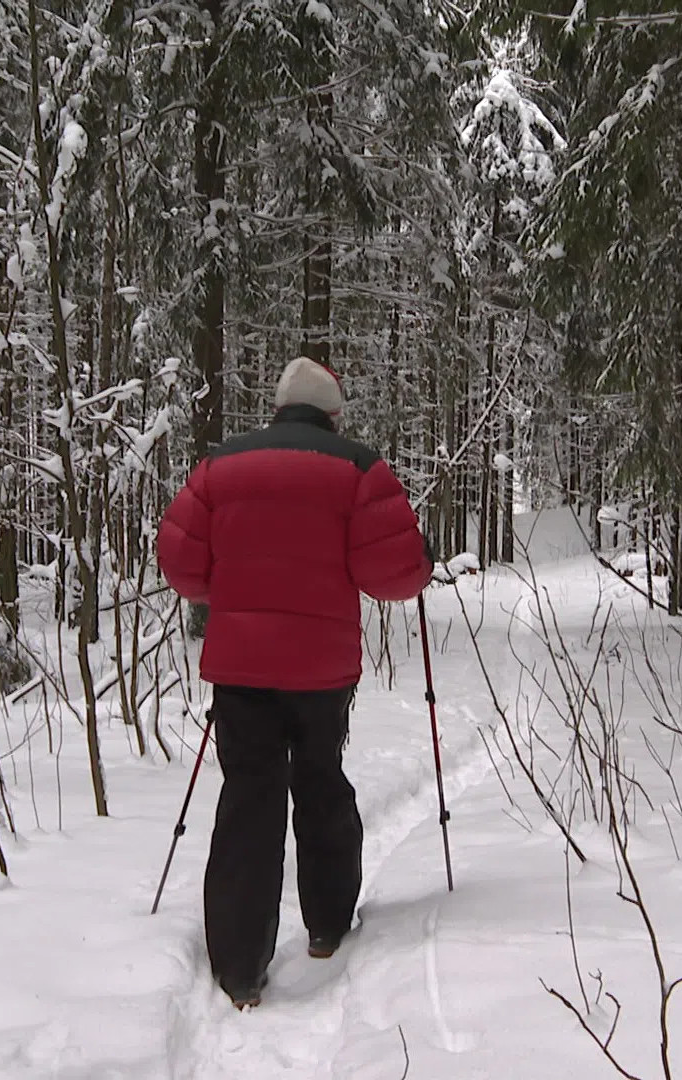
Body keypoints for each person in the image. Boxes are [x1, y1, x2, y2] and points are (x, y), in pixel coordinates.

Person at [155, 356, 433, 1010]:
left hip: (242, 669)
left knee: (248, 798)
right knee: (319, 782)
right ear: (332, 415)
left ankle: (239, 971)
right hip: (319, 671)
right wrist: (421, 564)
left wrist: (227, 590)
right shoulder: (358, 469)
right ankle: (328, 928)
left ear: (277, 409)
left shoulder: (220, 468)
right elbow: (393, 575)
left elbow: (182, 563)